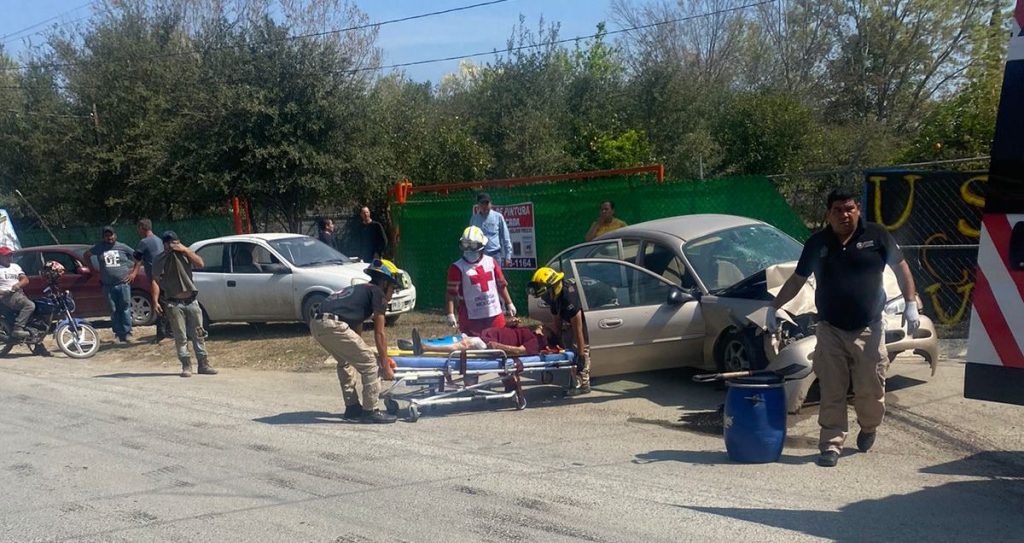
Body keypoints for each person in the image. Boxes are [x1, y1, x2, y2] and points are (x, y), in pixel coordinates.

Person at [769, 188, 921, 468]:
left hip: (869, 328)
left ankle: (869, 426)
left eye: (849, 208)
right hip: (830, 328)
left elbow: (902, 268)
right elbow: (797, 280)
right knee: (832, 388)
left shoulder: (877, 236)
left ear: (858, 209)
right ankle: (831, 443)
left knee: (870, 388)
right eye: (838, 210)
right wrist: (774, 307)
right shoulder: (817, 243)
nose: (844, 215)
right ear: (828, 214)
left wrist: (911, 302)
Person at [310, 258, 401, 424]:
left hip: (317, 323)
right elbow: (380, 333)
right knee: (370, 362)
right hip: (333, 324)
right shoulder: (378, 293)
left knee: (346, 361)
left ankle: (352, 408)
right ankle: (371, 410)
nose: (392, 294)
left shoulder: (361, 290)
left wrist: (361, 352)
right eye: (393, 289)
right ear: (384, 283)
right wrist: (385, 365)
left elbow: (356, 330)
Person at [151, 231, 216, 378]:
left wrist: (185, 250)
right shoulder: (160, 259)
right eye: (169, 243)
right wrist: (155, 301)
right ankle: (186, 365)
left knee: (199, 333)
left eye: (175, 242)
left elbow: (200, 263)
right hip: (174, 303)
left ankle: (203, 364)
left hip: (191, 301)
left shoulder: (186, 254)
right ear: (164, 244)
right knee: (180, 336)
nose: (173, 246)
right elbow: (155, 280)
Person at [528, 266, 591, 396]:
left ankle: (584, 384)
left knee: (579, 348)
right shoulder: (553, 296)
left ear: (553, 287)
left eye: (545, 293)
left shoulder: (569, 298)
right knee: (565, 341)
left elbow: (578, 331)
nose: (544, 297)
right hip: (573, 316)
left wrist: (580, 357)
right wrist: (556, 340)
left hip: (593, 311)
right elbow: (557, 320)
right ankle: (574, 379)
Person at [445, 226, 516, 337]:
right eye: (466, 245)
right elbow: (450, 293)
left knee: (498, 340)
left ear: (482, 246)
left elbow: (501, 285)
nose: (469, 249)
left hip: (494, 315)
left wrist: (509, 303)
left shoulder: (491, 262)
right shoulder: (457, 268)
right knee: (473, 344)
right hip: (470, 318)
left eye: (473, 245)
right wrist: (450, 313)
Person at [84, 225, 140, 344]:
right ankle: (118, 334)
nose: (109, 237)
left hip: (123, 283)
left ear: (115, 235)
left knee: (125, 308)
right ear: (103, 237)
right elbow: (86, 255)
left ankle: (127, 333)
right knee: (113, 310)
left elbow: (138, 258)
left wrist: (134, 273)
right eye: (106, 235)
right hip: (107, 285)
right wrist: (93, 270)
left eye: (111, 235)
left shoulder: (123, 247)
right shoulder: (99, 248)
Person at [406, 318, 549, 356]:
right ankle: (413, 344)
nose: (541, 327)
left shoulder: (537, 341)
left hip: (491, 345)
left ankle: (424, 347)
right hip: (487, 337)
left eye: (544, 328)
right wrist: (508, 324)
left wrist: (498, 347)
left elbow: (519, 350)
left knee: (464, 344)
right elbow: (509, 335)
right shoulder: (529, 332)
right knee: (458, 339)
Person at [134, 218, 168, 343]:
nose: (138, 231)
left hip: (155, 278)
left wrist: (134, 271)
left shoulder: (144, 242)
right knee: (166, 304)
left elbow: (137, 257)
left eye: (138, 229)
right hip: (165, 275)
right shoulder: (159, 240)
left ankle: (161, 334)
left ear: (142, 228)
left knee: (158, 304)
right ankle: (168, 330)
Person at [469, 192, 512, 268]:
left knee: (496, 275)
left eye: (487, 203)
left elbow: (506, 237)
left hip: (495, 254)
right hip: (479, 255)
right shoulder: (474, 219)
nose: (484, 206)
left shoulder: (498, 217)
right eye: (482, 203)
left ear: (491, 204)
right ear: (478, 205)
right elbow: (470, 238)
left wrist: (508, 256)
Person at [0, 246, 34, 338]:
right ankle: (18, 328)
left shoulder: (15, 267)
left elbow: (25, 280)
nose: (9, 258)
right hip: (7, 296)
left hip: (19, 293)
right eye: (6, 256)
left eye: (10, 255)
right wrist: (3, 291)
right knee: (29, 306)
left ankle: (35, 336)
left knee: (39, 307)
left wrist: (18, 285)